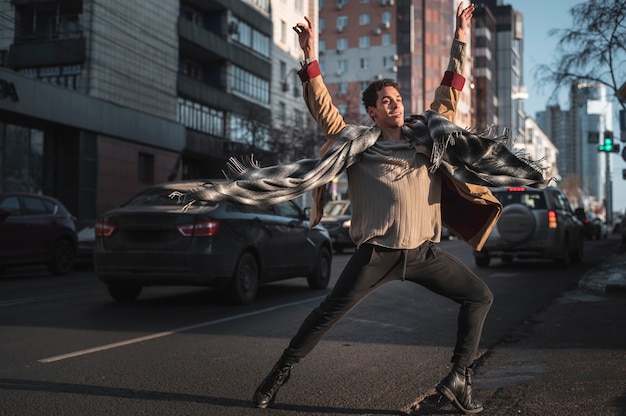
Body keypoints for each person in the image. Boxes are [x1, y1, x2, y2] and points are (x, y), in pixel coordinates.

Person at [251, 3, 498, 414]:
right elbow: (324, 111)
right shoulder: (359, 145)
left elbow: (450, 89)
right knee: (325, 314)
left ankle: (458, 377)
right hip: (377, 254)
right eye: (385, 101)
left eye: (397, 99)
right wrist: (309, 55)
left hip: (423, 253)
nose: (395, 105)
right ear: (372, 111)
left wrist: (459, 36)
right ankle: (278, 373)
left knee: (480, 297)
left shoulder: (428, 136)